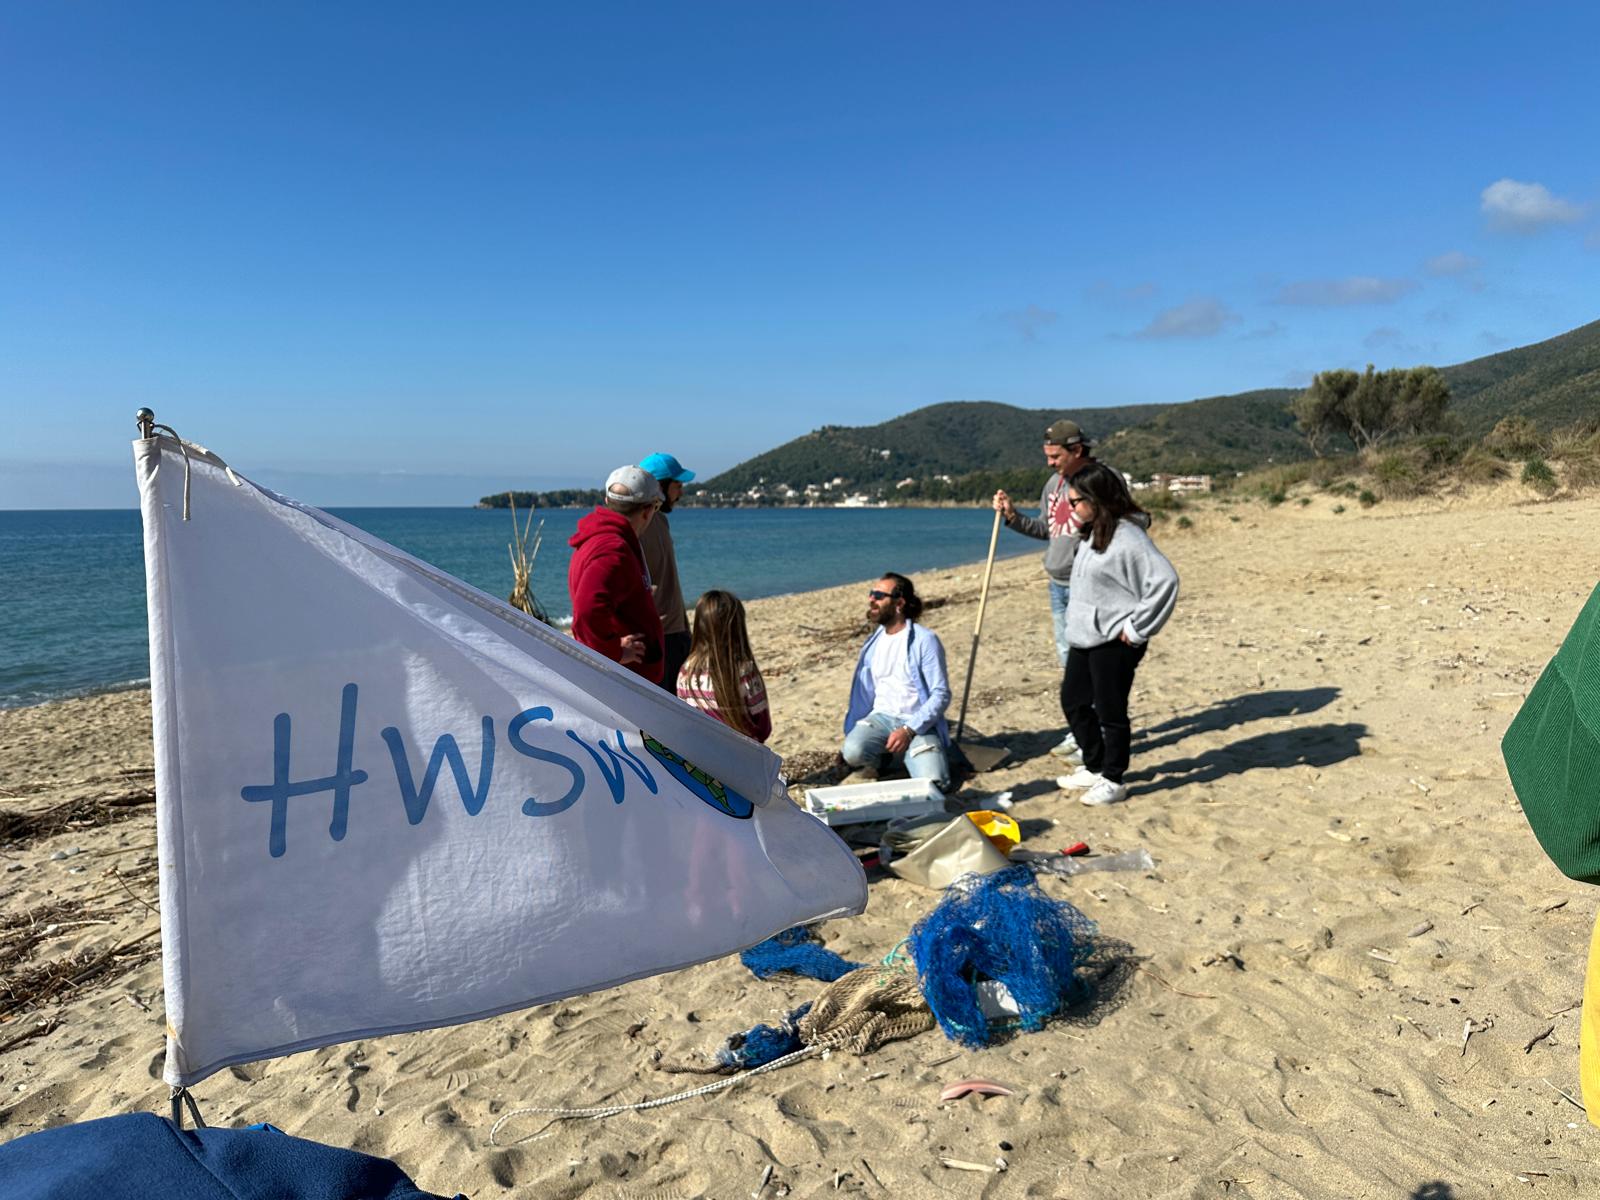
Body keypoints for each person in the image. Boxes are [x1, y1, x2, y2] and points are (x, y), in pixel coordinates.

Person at [1053, 462, 1179, 806]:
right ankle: (1094, 767)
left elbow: (1165, 581)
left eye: (1077, 501)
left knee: (1111, 710)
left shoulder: (1129, 536)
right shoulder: (1094, 530)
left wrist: (1138, 627)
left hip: (1115, 639)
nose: (1072, 507)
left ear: (1097, 498)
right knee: (1074, 702)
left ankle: (1113, 778)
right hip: (1085, 635)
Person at [991, 418, 1099, 761]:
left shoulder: (1099, 481)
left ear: (1077, 450)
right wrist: (1012, 517)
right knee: (1068, 662)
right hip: (1057, 584)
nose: (1050, 463)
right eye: (1047, 455)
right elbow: (1048, 530)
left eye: (1055, 456)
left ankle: (1093, 738)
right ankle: (1080, 731)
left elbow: (1125, 527)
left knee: (1089, 665)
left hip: (1089, 587)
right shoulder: (1053, 484)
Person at [841, 573, 952, 791]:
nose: (872, 600)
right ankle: (887, 759)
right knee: (852, 751)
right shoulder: (873, 643)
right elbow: (863, 695)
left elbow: (941, 694)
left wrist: (909, 730)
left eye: (880, 596)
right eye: (872, 594)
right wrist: (849, 734)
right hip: (881, 718)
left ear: (899, 603)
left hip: (917, 724)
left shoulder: (924, 640)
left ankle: (914, 753)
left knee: (936, 785)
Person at [567, 465, 666, 683]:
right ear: (647, 511)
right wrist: (615, 652)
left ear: (607, 501)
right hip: (625, 683)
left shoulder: (602, 539)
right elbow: (587, 610)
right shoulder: (613, 549)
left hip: (625, 678)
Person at [676, 590, 772, 742]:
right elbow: (763, 728)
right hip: (742, 755)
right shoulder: (744, 672)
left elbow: (686, 719)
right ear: (738, 628)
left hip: (704, 754)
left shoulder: (686, 671)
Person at [638, 452, 696, 693]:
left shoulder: (660, 519)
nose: (680, 493)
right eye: (677, 485)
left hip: (676, 629)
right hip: (659, 633)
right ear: (660, 485)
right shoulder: (638, 524)